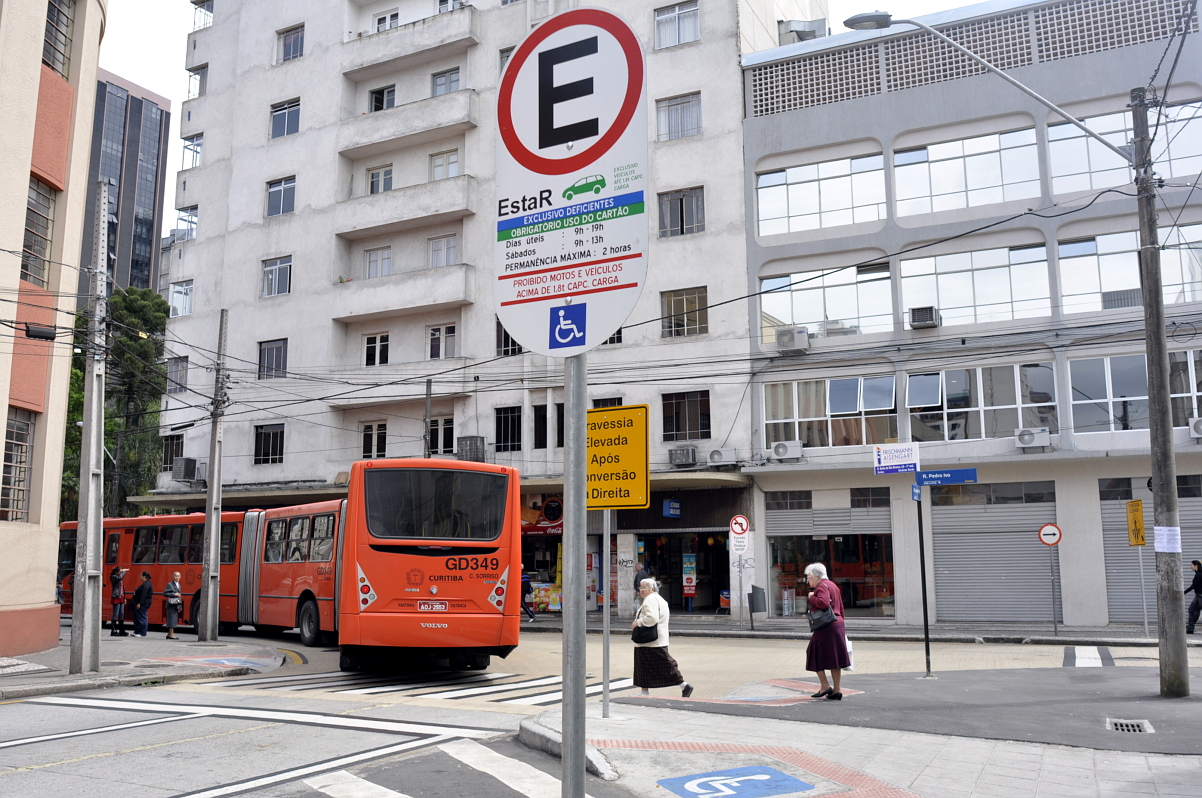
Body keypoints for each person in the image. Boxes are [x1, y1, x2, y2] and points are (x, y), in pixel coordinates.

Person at [630, 577, 692, 698]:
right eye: (640, 587)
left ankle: (683, 685)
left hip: (650, 640)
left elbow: (652, 618)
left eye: (645, 587)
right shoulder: (659, 599)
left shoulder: (650, 599)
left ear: (652, 589)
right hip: (656, 640)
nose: (641, 590)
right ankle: (644, 692)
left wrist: (638, 622)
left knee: (663, 665)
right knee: (645, 666)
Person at [804, 562, 850, 700]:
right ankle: (837, 689)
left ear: (817, 576)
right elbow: (840, 607)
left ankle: (825, 686)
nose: (808, 580)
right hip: (837, 624)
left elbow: (823, 603)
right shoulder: (832, 585)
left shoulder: (821, 586)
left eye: (809, 577)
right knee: (834, 656)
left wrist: (811, 597)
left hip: (826, 625)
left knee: (813, 652)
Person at [131, 571, 153, 637]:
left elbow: (143, 595)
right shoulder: (146, 584)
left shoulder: (146, 585)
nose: (140, 577)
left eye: (141, 576)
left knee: (141, 617)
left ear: (144, 577)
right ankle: (137, 631)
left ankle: (142, 632)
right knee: (137, 617)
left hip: (143, 603)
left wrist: (140, 603)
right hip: (141, 602)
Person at [109, 566, 129, 636]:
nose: (121, 573)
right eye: (120, 572)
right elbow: (119, 578)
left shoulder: (119, 579)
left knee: (121, 614)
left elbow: (123, 588)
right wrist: (123, 571)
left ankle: (122, 630)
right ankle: (113, 630)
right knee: (116, 613)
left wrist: (125, 598)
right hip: (116, 597)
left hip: (121, 597)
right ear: (116, 572)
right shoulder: (114, 577)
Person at [163, 571, 183, 639]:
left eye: (178, 576)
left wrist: (180, 606)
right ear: (173, 577)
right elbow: (165, 593)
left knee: (174, 619)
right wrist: (174, 594)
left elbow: (179, 596)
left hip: (176, 604)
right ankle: (171, 634)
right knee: (171, 619)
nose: (177, 577)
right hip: (171, 604)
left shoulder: (179, 585)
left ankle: (169, 634)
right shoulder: (170, 585)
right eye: (175, 576)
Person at [1186, 559, 1202, 635]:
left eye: (1192, 565)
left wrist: (1184, 592)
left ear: (1196, 566)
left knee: (1192, 610)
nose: (1190, 567)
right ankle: (1190, 628)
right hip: (1198, 595)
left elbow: (1193, 586)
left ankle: (1190, 627)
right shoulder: (1198, 574)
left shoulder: (1199, 575)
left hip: (1200, 596)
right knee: (1192, 610)